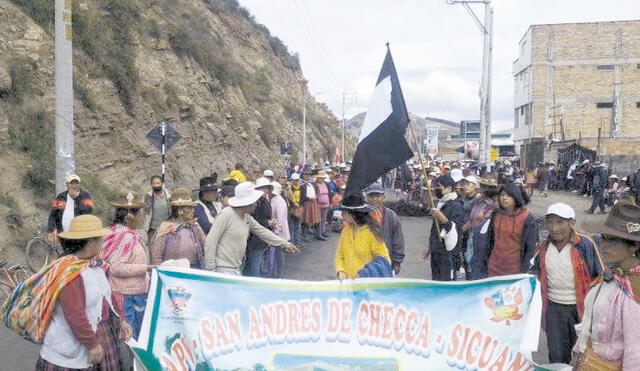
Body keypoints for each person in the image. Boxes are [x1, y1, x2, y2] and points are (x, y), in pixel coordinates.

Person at [37, 215, 132, 370]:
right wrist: (92, 344)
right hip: (72, 345)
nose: (102, 243)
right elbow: (75, 314)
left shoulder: (94, 265)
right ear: (89, 243)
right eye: (100, 239)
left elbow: (107, 295)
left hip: (100, 333)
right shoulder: (70, 273)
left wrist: (122, 319)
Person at [532, 203, 604, 365]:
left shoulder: (585, 244)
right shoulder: (543, 246)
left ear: (572, 223)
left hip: (581, 309)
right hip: (554, 309)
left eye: (560, 222)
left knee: (583, 354)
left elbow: (600, 274)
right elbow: (535, 271)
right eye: (550, 222)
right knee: (557, 355)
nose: (554, 228)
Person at [574, 203, 640, 369]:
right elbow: (590, 321)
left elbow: (635, 351)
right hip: (588, 361)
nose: (604, 245)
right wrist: (578, 351)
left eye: (613, 240)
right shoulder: (611, 275)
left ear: (634, 245)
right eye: (604, 238)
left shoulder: (633, 288)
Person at [204, 182, 298, 275]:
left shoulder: (247, 217)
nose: (256, 205)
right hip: (222, 269)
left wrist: (285, 244)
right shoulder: (225, 215)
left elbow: (262, 232)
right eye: (254, 202)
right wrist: (211, 270)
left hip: (236, 267)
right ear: (246, 202)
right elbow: (211, 241)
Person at [100, 191, 153, 340]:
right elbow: (116, 267)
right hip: (126, 296)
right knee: (131, 336)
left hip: (134, 292)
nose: (141, 217)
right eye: (139, 213)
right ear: (129, 216)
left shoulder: (127, 234)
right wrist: (146, 269)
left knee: (135, 335)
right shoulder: (125, 237)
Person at [485, 182, 538, 277]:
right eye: (502, 195)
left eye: (508, 195)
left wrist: (523, 271)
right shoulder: (496, 214)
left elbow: (530, 248)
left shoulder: (527, 218)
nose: (504, 198)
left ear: (516, 197)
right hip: (494, 266)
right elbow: (490, 241)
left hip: (515, 269)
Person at [335, 194, 391, 280]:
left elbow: (384, 259)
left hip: (366, 285)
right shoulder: (346, 230)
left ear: (353, 214)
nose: (341, 214)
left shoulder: (371, 232)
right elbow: (339, 254)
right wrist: (340, 271)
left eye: (344, 212)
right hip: (347, 284)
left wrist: (365, 274)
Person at [421, 175, 464, 281]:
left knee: (447, 283)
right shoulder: (441, 203)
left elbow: (455, 229)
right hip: (436, 250)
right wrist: (429, 247)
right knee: (436, 280)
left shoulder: (456, 206)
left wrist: (441, 217)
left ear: (448, 189)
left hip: (448, 253)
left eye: (439, 187)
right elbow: (435, 229)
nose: (436, 189)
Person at [151, 188, 206, 269]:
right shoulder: (166, 229)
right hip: (174, 273)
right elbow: (157, 256)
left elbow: (205, 246)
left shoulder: (194, 226)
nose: (193, 211)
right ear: (180, 210)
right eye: (189, 208)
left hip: (195, 271)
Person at [365, 183, 405, 275]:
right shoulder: (361, 217)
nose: (375, 199)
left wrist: (397, 262)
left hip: (385, 262)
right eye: (371, 196)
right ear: (366, 197)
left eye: (378, 196)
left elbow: (398, 241)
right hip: (364, 263)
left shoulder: (391, 216)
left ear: (383, 197)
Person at [465, 177, 498, 280]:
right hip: (473, 234)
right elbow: (473, 216)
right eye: (482, 186)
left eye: (485, 187)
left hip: (484, 238)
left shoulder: (492, 205)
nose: (482, 189)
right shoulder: (478, 201)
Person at [46, 174, 93, 244]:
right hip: (62, 234)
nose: (74, 185)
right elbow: (53, 214)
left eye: (76, 183)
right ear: (67, 184)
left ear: (79, 184)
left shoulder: (85, 196)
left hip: (80, 235)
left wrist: (76, 199)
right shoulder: (61, 196)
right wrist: (50, 230)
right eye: (71, 183)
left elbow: (88, 210)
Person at [243, 178, 275, 277]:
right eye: (263, 188)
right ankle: (255, 281)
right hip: (256, 237)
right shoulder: (257, 202)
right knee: (255, 261)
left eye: (266, 188)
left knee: (258, 258)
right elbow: (252, 220)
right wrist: (267, 222)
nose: (265, 190)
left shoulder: (264, 200)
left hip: (261, 235)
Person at [142, 175, 171, 249]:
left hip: (166, 228)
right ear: (151, 185)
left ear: (162, 184)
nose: (156, 185)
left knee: (165, 248)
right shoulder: (147, 196)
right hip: (152, 229)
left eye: (158, 183)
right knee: (152, 248)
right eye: (154, 183)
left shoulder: (168, 196)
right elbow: (143, 212)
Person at [270, 181, 290, 278]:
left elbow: (280, 218)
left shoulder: (279, 201)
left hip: (279, 230)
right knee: (276, 252)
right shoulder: (274, 199)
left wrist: (277, 231)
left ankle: (279, 272)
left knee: (279, 252)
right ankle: (274, 271)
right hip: (274, 229)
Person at [301, 170, 324, 241]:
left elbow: (317, 191)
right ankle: (305, 236)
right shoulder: (301, 184)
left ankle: (318, 234)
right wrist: (308, 198)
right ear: (303, 176)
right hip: (306, 204)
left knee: (317, 220)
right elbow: (301, 195)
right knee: (306, 220)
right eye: (306, 175)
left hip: (314, 203)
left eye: (308, 175)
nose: (307, 176)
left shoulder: (313, 184)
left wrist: (316, 197)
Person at [315, 170, 333, 239]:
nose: (321, 179)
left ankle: (323, 231)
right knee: (318, 219)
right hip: (318, 204)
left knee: (323, 219)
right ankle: (318, 233)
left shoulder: (326, 184)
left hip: (326, 204)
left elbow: (330, 194)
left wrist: (330, 202)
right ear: (318, 178)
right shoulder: (315, 184)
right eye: (320, 178)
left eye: (322, 178)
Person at [288, 173, 304, 248]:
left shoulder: (301, 187)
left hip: (298, 208)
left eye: (297, 180)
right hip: (291, 209)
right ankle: (291, 243)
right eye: (295, 180)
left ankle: (297, 242)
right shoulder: (289, 188)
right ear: (292, 180)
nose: (297, 181)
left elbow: (303, 197)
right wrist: (293, 204)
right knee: (291, 226)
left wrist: (299, 204)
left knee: (297, 226)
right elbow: (288, 198)